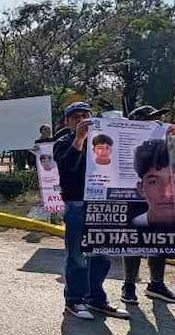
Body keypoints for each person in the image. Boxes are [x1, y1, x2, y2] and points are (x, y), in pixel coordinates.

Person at [53, 101, 129, 320]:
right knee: (77, 255)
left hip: (103, 203)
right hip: (77, 203)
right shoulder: (63, 142)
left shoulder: (104, 141)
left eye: (86, 115)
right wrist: (79, 138)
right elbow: (66, 167)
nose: (82, 120)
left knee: (102, 253)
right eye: (76, 117)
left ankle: (96, 298)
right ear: (67, 122)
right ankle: (75, 300)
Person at [120, 106, 175, 305]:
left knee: (159, 240)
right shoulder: (126, 142)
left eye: (158, 118)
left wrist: (167, 168)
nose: (157, 122)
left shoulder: (169, 144)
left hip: (164, 199)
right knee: (133, 242)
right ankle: (128, 285)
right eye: (151, 119)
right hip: (133, 198)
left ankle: (156, 284)